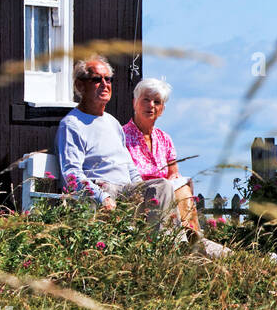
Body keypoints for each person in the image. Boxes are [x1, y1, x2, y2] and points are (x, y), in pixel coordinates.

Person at [56, 56, 175, 222]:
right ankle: (170, 244)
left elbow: (130, 167)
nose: (105, 84)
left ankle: (170, 244)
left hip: (126, 191)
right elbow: (71, 173)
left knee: (163, 186)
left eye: (108, 79)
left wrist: (140, 189)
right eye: (97, 79)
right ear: (80, 85)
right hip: (103, 189)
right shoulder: (72, 125)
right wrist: (101, 196)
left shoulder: (113, 122)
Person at [122, 77, 201, 234]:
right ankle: (189, 236)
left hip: (166, 198)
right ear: (134, 103)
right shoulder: (122, 136)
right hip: (139, 199)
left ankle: (191, 234)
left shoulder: (165, 139)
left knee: (182, 188)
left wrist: (171, 183)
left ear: (162, 109)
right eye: (146, 100)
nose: (151, 105)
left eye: (157, 102)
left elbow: (173, 173)